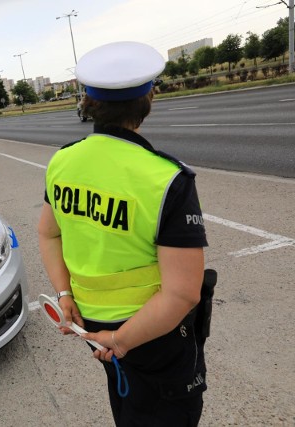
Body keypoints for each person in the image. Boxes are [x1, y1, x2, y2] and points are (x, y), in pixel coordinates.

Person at [38, 41, 209, 426]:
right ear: (149, 97)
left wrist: (65, 295)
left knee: (128, 406)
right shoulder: (166, 179)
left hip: (93, 327)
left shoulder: (62, 162)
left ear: (88, 100)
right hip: (153, 334)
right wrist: (123, 341)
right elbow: (182, 293)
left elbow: (48, 235)